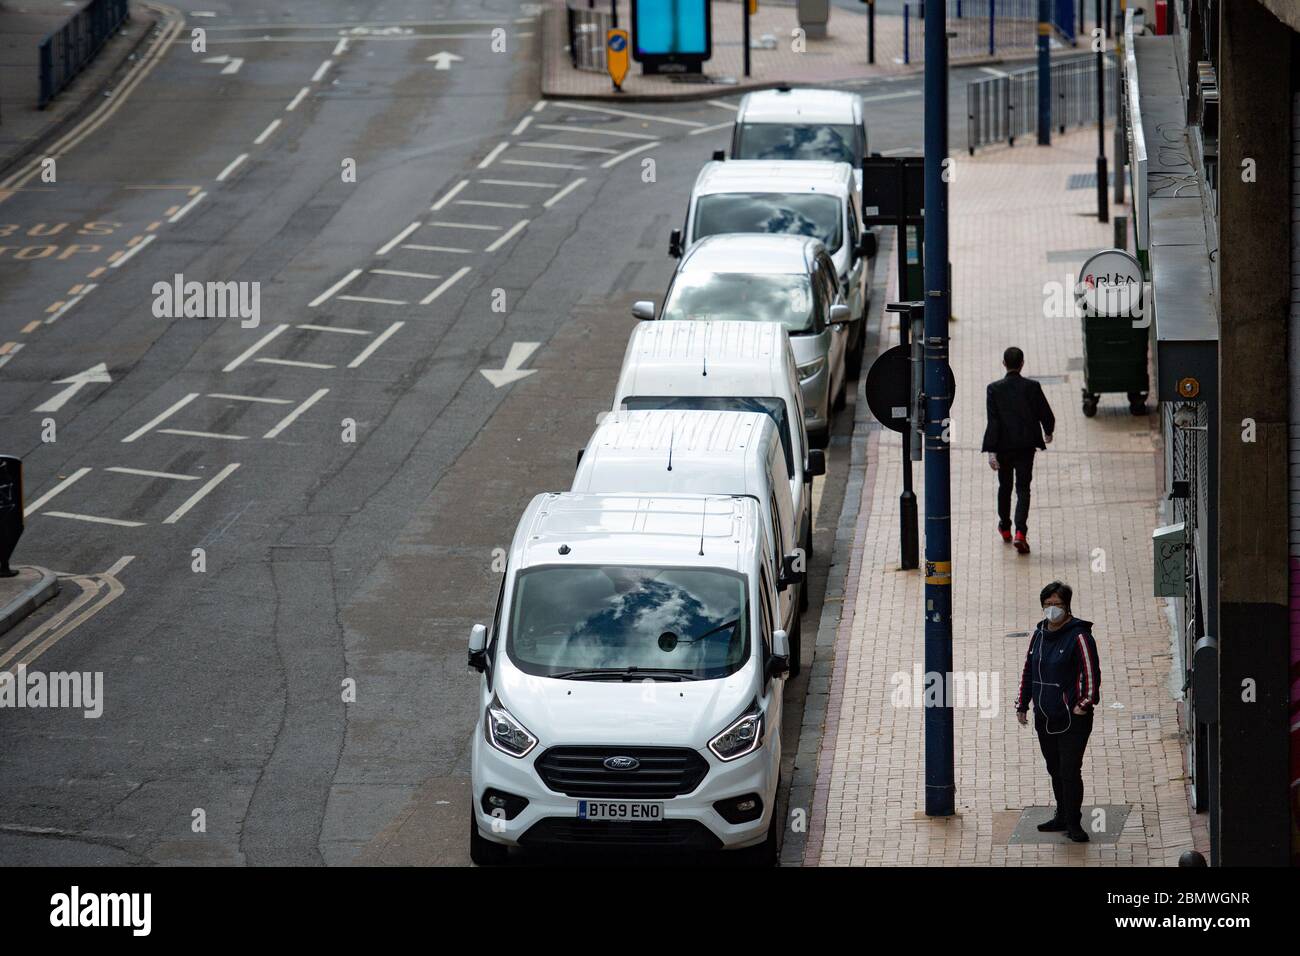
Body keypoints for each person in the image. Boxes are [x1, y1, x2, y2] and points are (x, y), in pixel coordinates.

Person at [1014, 582, 1101, 843]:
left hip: (1072, 719)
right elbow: (1029, 669)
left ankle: (1074, 822)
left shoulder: (1080, 636)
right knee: (1054, 768)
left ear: (1068, 606)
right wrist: (1022, 703)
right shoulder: (1039, 634)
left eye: (1058, 605)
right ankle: (1061, 814)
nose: (1052, 609)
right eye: (1048, 604)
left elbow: (1091, 673)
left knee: (1069, 769)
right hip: (1045, 716)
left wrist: (1083, 705)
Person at [981, 346, 1055, 554]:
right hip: (1025, 447)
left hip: (1004, 447)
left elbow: (993, 421)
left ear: (1004, 364)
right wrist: (1047, 431)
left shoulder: (994, 389)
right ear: (1022, 364)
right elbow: (1045, 412)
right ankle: (1020, 532)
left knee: (1005, 486)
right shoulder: (1032, 387)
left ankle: (1005, 527)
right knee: (1023, 489)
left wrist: (991, 450)